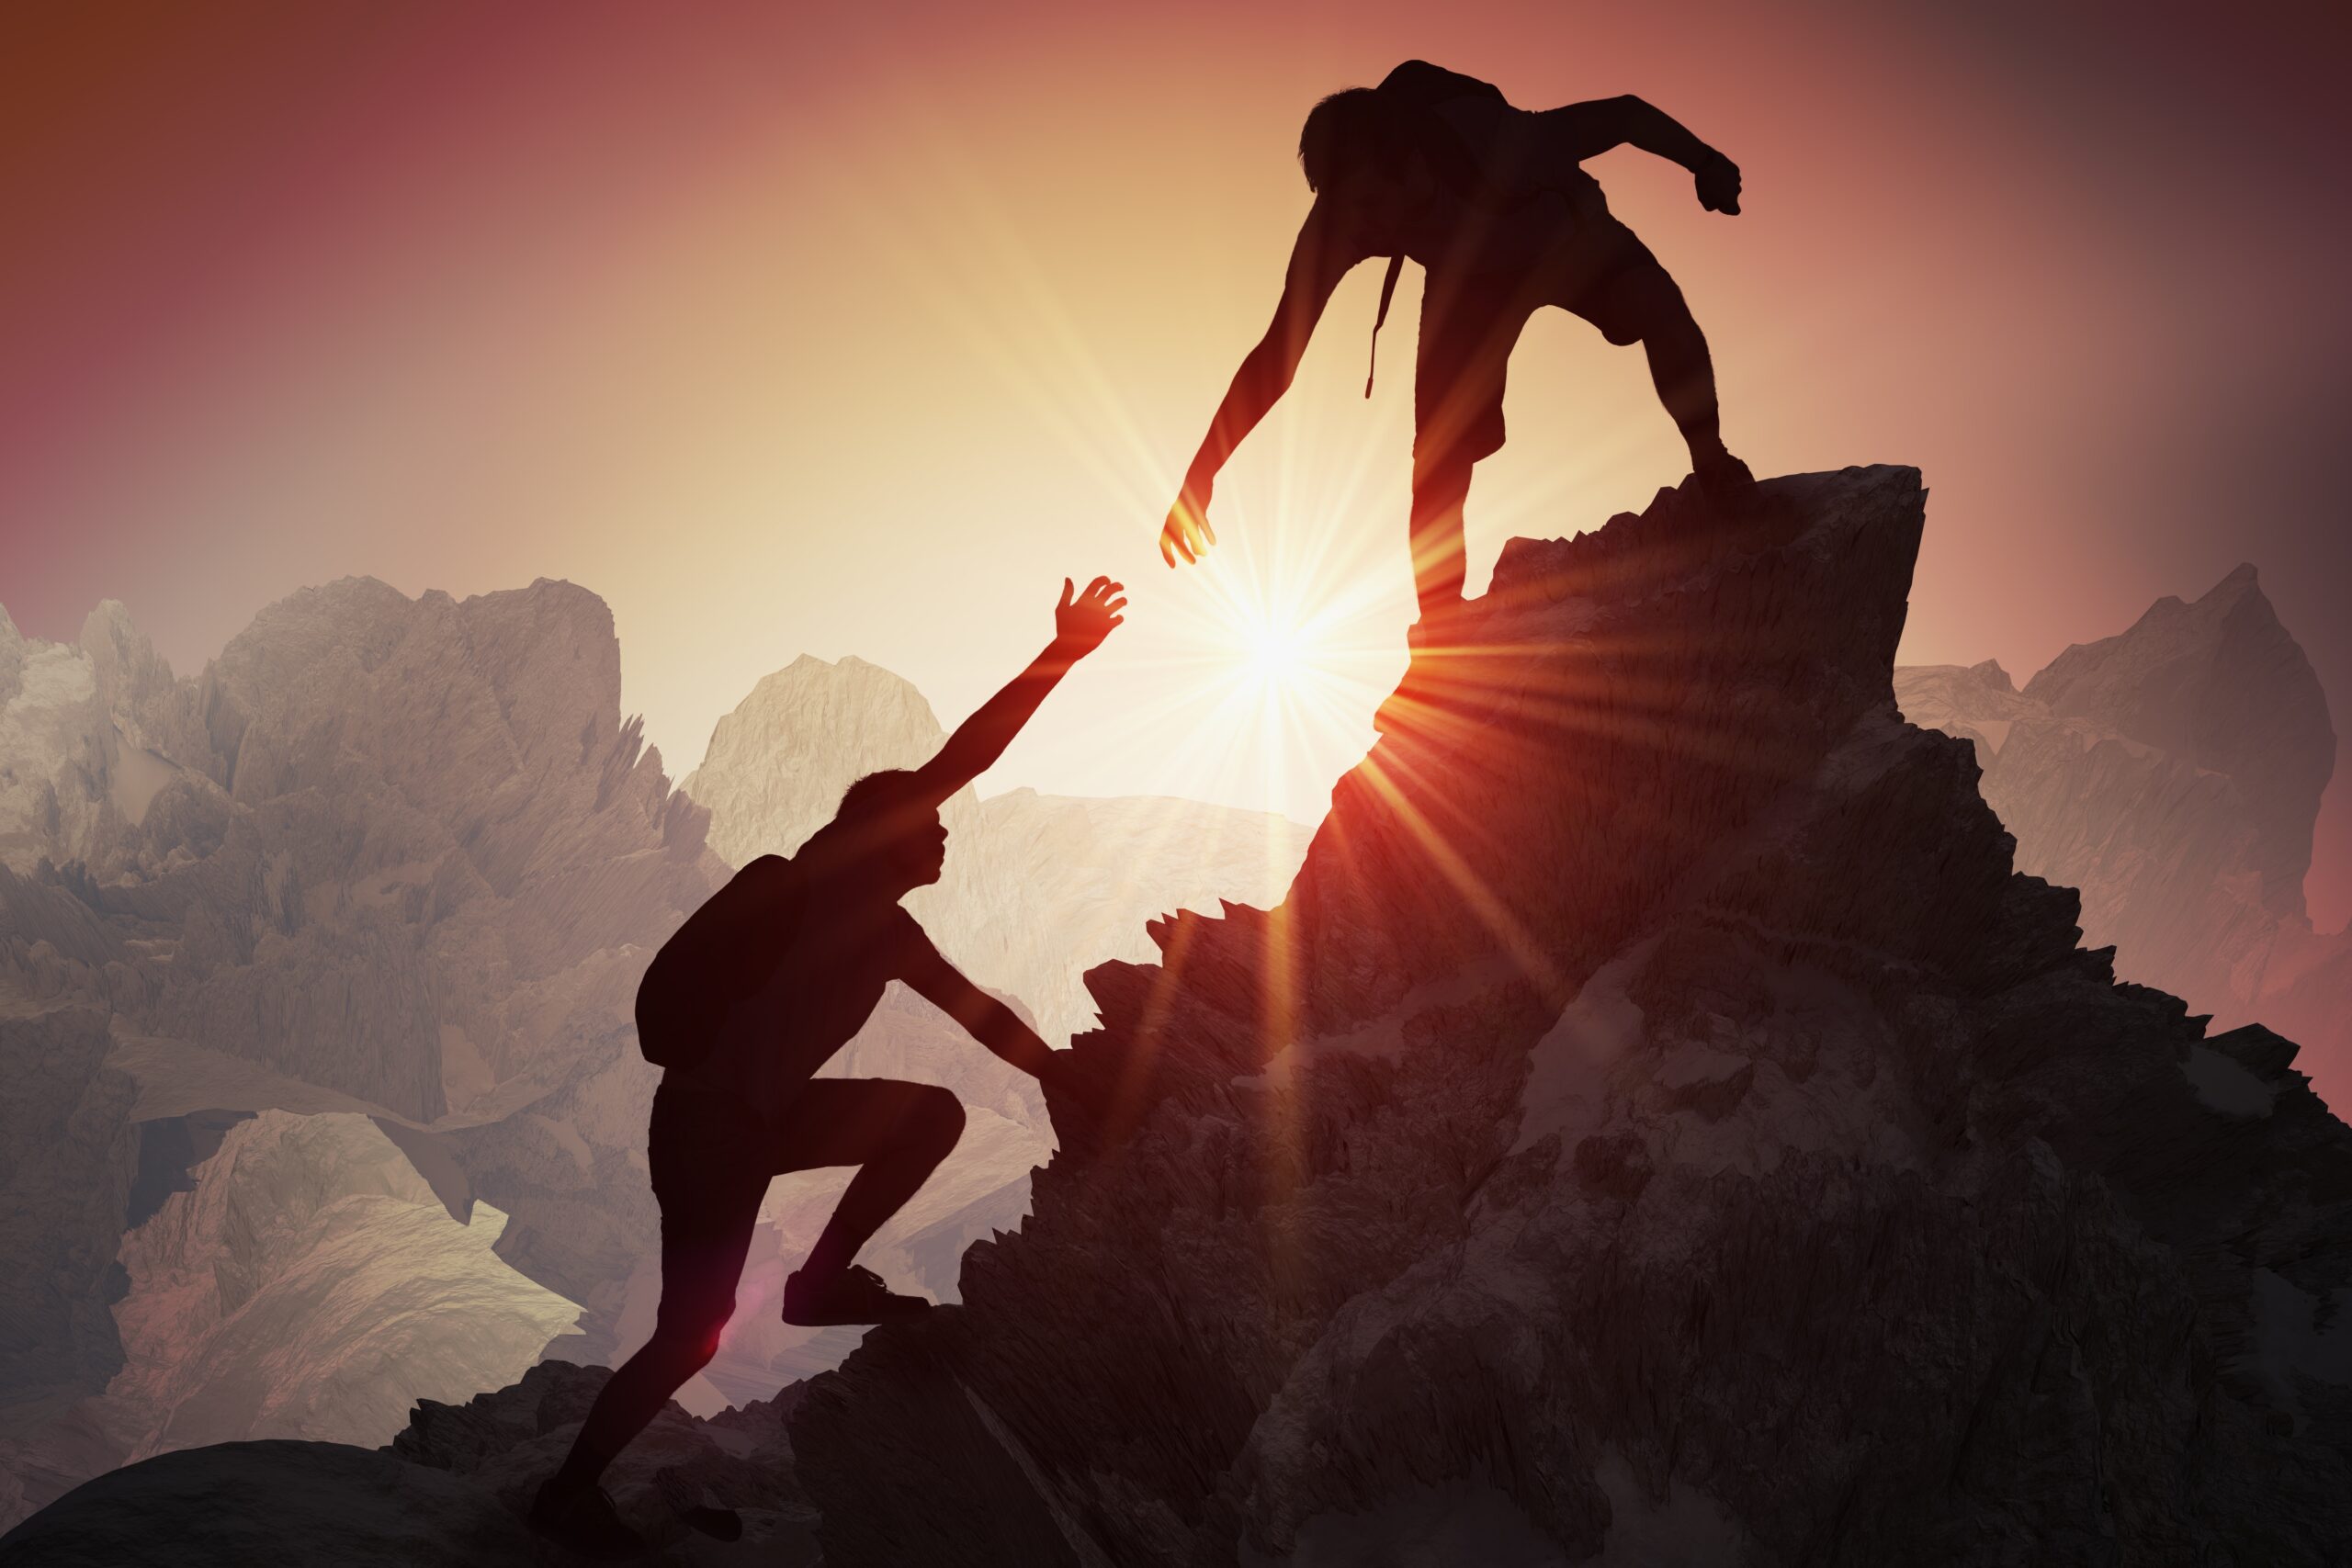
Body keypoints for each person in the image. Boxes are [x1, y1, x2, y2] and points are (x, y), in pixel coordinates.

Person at [529, 574, 1126, 1559]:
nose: (943, 832)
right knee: (694, 1332)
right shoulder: (833, 876)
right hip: (708, 1129)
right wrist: (1061, 653)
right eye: (927, 823)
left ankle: (818, 1284)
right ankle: (566, 1494)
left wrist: (1079, 1082)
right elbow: (961, 759)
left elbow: (982, 1018)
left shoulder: (890, 935)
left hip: (758, 1120)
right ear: (884, 830)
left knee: (929, 1115)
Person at [1159, 61, 1752, 628]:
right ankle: (1440, 631)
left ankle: (1713, 466)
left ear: (1411, 163)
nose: (1362, 228)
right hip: (1467, 282)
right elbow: (1276, 359)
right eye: (1345, 208)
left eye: (1369, 204)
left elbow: (1623, 117)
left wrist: (1704, 161)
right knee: (1437, 460)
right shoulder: (1342, 222)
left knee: (1660, 309)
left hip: (1557, 233)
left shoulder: (1499, 141)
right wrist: (1202, 473)